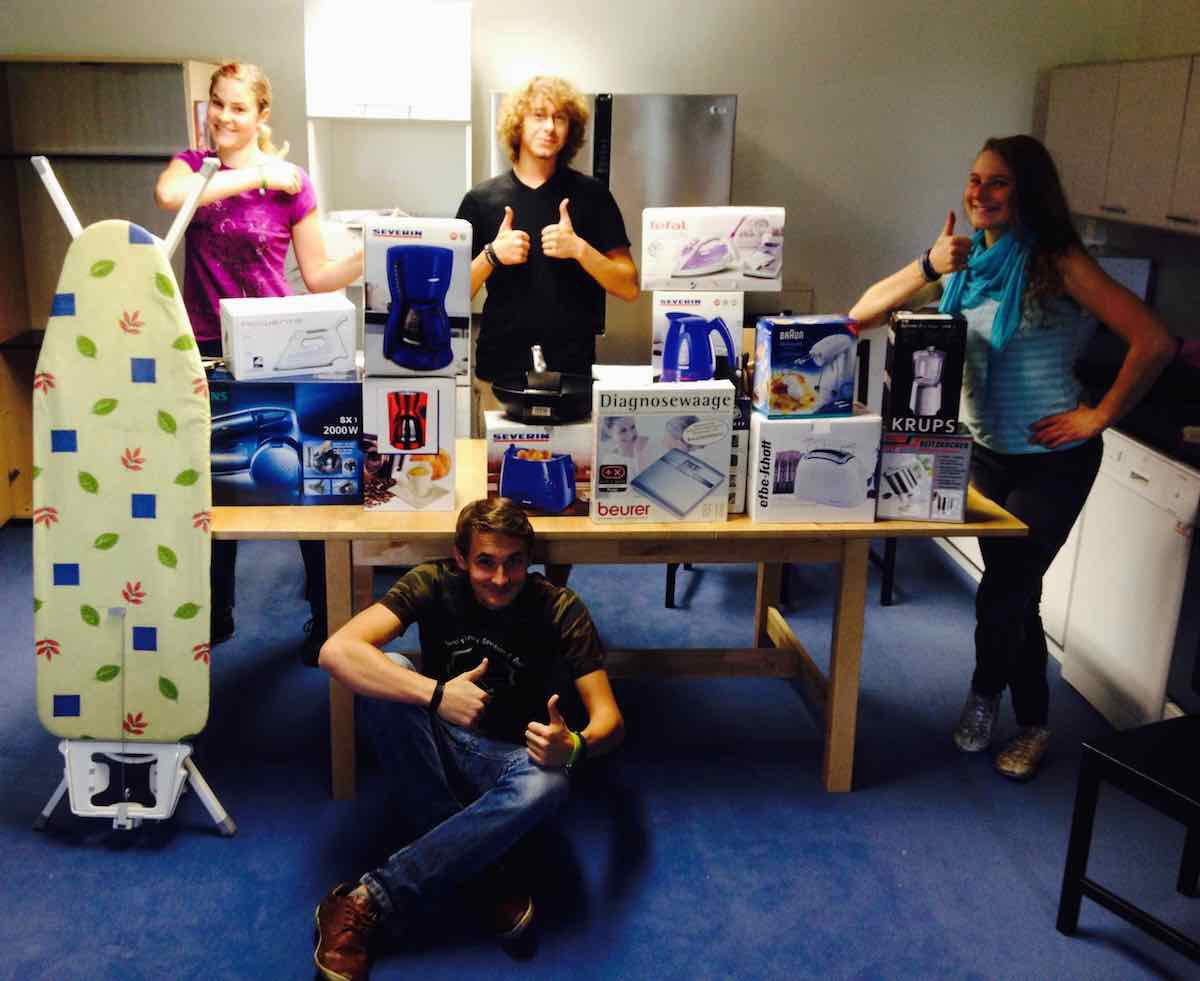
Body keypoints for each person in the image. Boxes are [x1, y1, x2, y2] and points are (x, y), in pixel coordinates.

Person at [848, 135, 1174, 781]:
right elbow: (860, 315)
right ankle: (1033, 720)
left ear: (1027, 190)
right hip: (986, 453)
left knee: (1002, 591)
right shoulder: (965, 266)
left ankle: (987, 697)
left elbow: (1154, 339)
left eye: (997, 182)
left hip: (1054, 459)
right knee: (1018, 595)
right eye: (975, 179)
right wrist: (929, 264)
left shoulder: (1058, 261)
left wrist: (1099, 415)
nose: (981, 193)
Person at [313, 498, 624, 981]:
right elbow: (336, 651)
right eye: (485, 562)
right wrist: (437, 695)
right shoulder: (431, 581)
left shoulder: (561, 607)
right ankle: (480, 871)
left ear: (529, 560)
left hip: (507, 759)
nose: (500, 578)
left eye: (514, 562)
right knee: (389, 669)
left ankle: (366, 898)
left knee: (551, 782)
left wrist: (574, 746)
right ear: (460, 558)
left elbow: (610, 720)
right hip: (435, 740)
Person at [154, 62, 362, 662]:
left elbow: (317, 274)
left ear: (262, 114)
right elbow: (171, 197)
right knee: (212, 483)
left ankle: (326, 618)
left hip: (278, 345)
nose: (224, 117)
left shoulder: (292, 184)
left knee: (304, 481)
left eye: (239, 107)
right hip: (204, 347)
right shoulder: (194, 167)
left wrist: (374, 252)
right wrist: (255, 174)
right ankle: (213, 616)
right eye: (217, 104)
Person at [456, 74, 638, 426]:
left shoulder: (592, 196)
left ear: (571, 129)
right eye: (539, 116)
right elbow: (451, 296)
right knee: (500, 464)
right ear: (518, 124)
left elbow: (628, 286)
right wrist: (492, 255)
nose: (550, 127)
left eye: (560, 118)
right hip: (500, 376)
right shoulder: (481, 200)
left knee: (571, 463)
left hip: (572, 378)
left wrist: (580, 249)